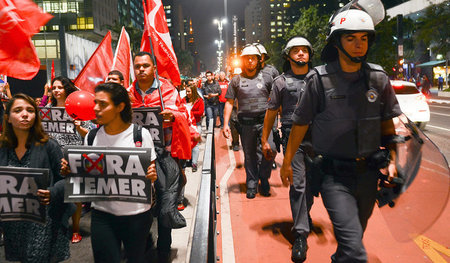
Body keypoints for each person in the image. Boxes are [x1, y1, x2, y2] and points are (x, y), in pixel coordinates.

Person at [280, 9, 402, 263]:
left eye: (364, 38)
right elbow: (300, 124)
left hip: (369, 175)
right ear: (337, 42)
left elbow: (388, 128)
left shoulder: (378, 78)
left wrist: (393, 160)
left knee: (351, 243)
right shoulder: (319, 79)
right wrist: (288, 160)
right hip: (333, 176)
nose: (359, 45)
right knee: (356, 251)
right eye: (350, 38)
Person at [62, 82, 157, 263]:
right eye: (95, 103)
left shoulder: (140, 135)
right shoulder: (91, 137)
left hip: (137, 216)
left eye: (103, 104)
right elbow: (88, 175)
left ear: (120, 107)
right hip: (102, 215)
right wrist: (72, 171)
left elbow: (151, 174)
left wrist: (152, 175)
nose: (96, 108)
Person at [128, 51, 191, 262]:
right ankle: (145, 243)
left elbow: (184, 114)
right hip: (136, 159)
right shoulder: (128, 93)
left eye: (146, 65)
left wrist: (173, 116)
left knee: (165, 205)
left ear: (153, 68)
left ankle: (164, 249)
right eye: (137, 66)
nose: (141, 70)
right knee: (140, 206)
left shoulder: (167, 91)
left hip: (165, 157)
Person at [0, 93, 75, 262]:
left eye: (30, 110)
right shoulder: (2, 148)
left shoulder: (49, 145)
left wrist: (52, 192)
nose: (25, 114)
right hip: (13, 222)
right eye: (18, 110)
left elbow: (68, 181)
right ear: (8, 118)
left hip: (43, 221)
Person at [261, 36, 314, 263]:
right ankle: (300, 233)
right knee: (299, 184)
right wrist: (265, 140)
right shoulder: (281, 82)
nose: (301, 53)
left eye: (305, 50)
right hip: (294, 140)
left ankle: (304, 215)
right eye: (296, 50)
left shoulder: (319, 78)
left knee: (315, 185)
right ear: (288, 55)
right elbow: (271, 112)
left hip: (321, 136)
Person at [222, 44, 276, 199]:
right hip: (245, 124)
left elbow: (275, 101)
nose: (250, 61)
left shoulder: (267, 77)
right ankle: (252, 183)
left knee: (270, 150)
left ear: (258, 60)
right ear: (243, 61)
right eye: (247, 59)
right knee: (250, 155)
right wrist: (225, 124)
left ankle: (264, 178)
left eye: (253, 58)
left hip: (265, 123)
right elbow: (229, 102)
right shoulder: (236, 80)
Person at [46, 76, 93, 244]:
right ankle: (57, 227)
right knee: (55, 192)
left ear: (66, 88)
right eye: (54, 87)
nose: (56, 90)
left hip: (75, 153)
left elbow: (89, 135)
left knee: (75, 194)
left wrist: (79, 127)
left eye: (60, 87)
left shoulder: (78, 106)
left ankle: (75, 229)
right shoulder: (48, 108)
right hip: (53, 154)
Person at [182, 84, 204, 172]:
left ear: (193, 92)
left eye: (189, 91)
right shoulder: (183, 99)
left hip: (196, 124)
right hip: (185, 125)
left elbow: (200, 112)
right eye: (186, 91)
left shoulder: (199, 100)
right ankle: (189, 160)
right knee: (187, 144)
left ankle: (194, 163)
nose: (187, 93)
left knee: (195, 144)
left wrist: (189, 112)